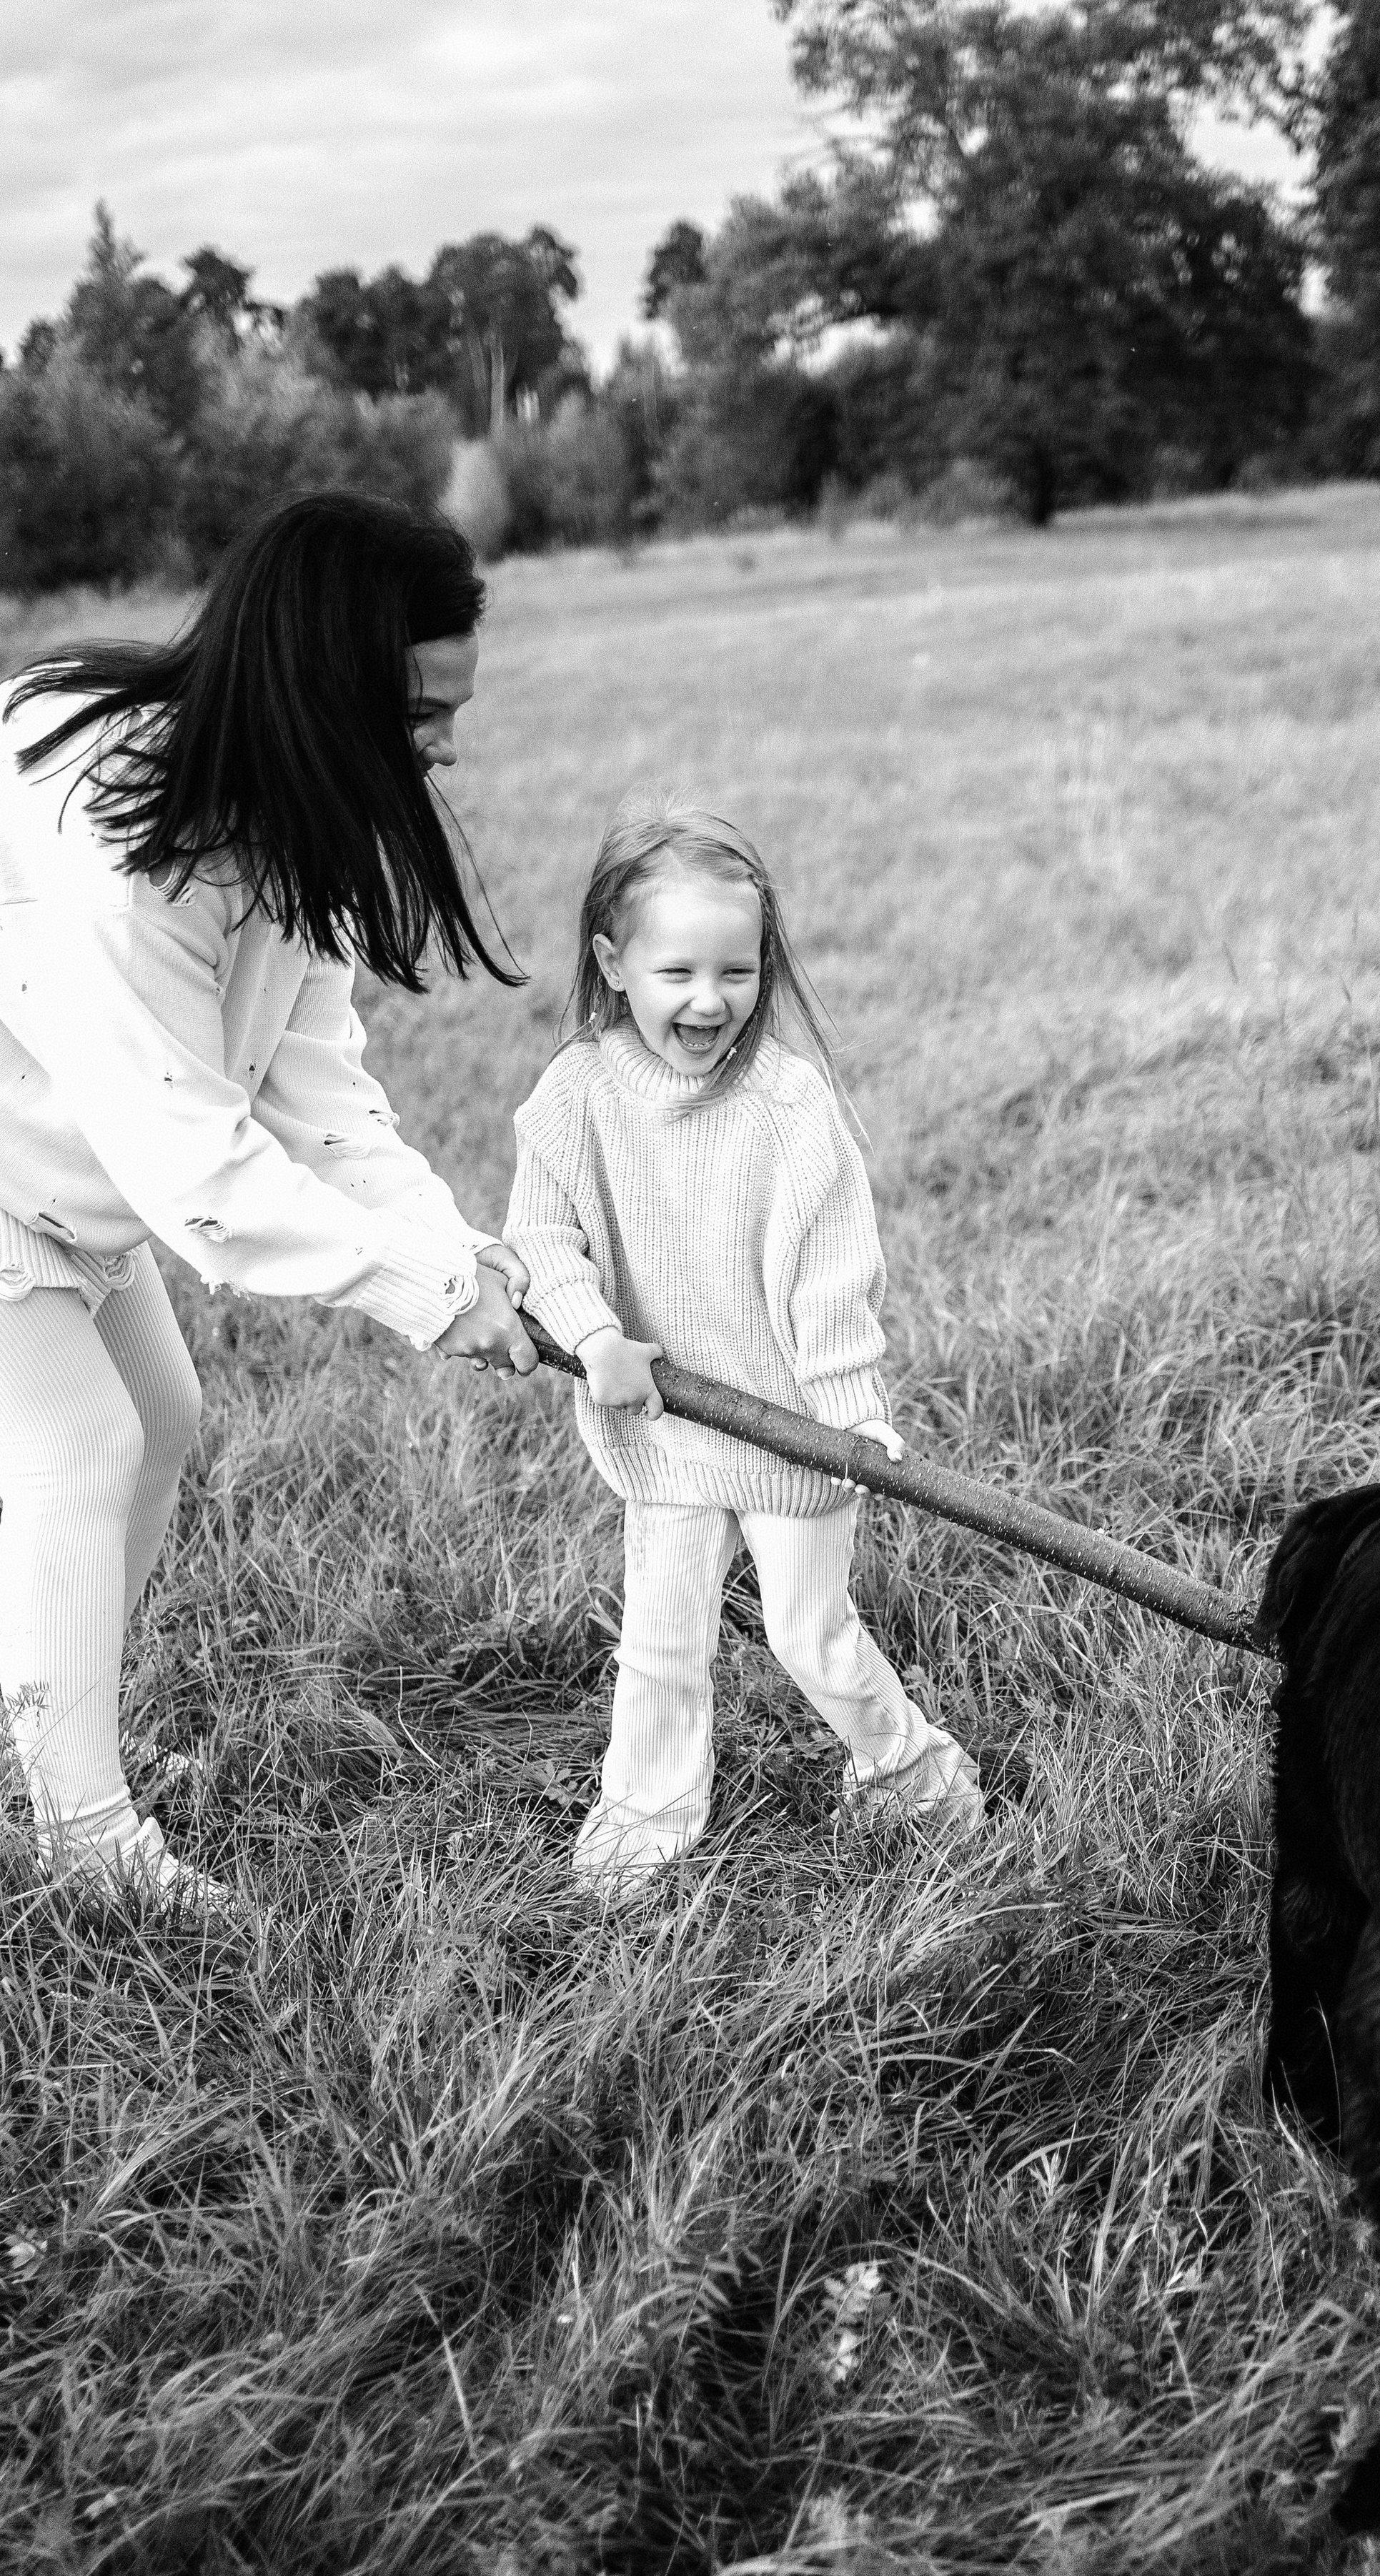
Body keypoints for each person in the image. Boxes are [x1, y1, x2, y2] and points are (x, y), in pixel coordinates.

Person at [0, 489, 537, 1911]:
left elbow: (320, 1097)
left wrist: (464, 1255)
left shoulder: (294, 822)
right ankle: (82, 1837)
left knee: (160, 1423)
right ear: (323, 685)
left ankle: (54, 1740)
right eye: (419, 713)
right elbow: (201, 1175)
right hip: (25, 1169)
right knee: (80, 1448)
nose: (445, 746)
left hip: (63, 1167)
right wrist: (431, 1299)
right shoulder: (112, 832)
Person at [506, 792, 983, 1895]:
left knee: (810, 1638)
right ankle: (648, 1811)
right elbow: (540, 1235)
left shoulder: (788, 1105)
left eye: (739, 969)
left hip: (791, 1432)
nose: (710, 999)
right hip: (665, 1427)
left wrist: (850, 1414)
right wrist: (593, 1334)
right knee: (661, 1641)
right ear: (613, 964)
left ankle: (915, 1774)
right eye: (677, 971)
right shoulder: (578, 1094)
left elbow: (832, 1277)